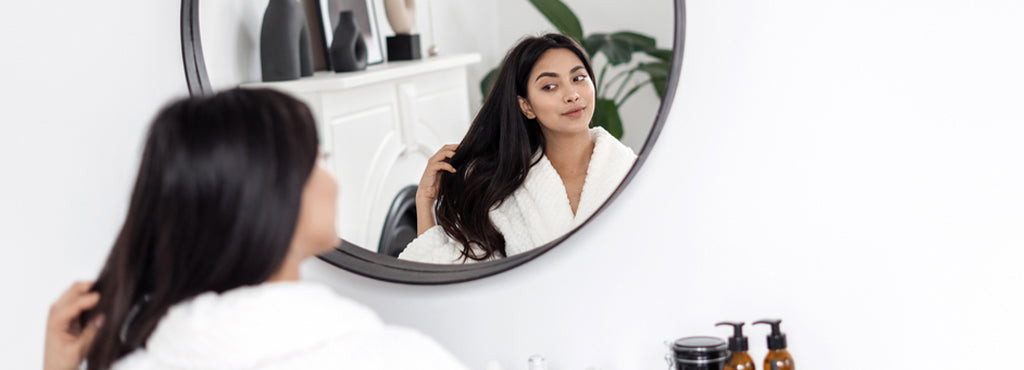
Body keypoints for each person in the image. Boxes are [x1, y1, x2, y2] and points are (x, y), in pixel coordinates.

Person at [43, 89, 467, 370]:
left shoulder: (142, 361)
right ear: (270, 194)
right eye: (317, 160)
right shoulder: (395, 359)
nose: (333, 181)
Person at [399, 34, 637, 264]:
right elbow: (452, 275)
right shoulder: (507, 193)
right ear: (526, 106)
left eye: (578, 78)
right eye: (550, 86)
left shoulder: (633, 171)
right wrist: (424, 203)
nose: (572, 95)